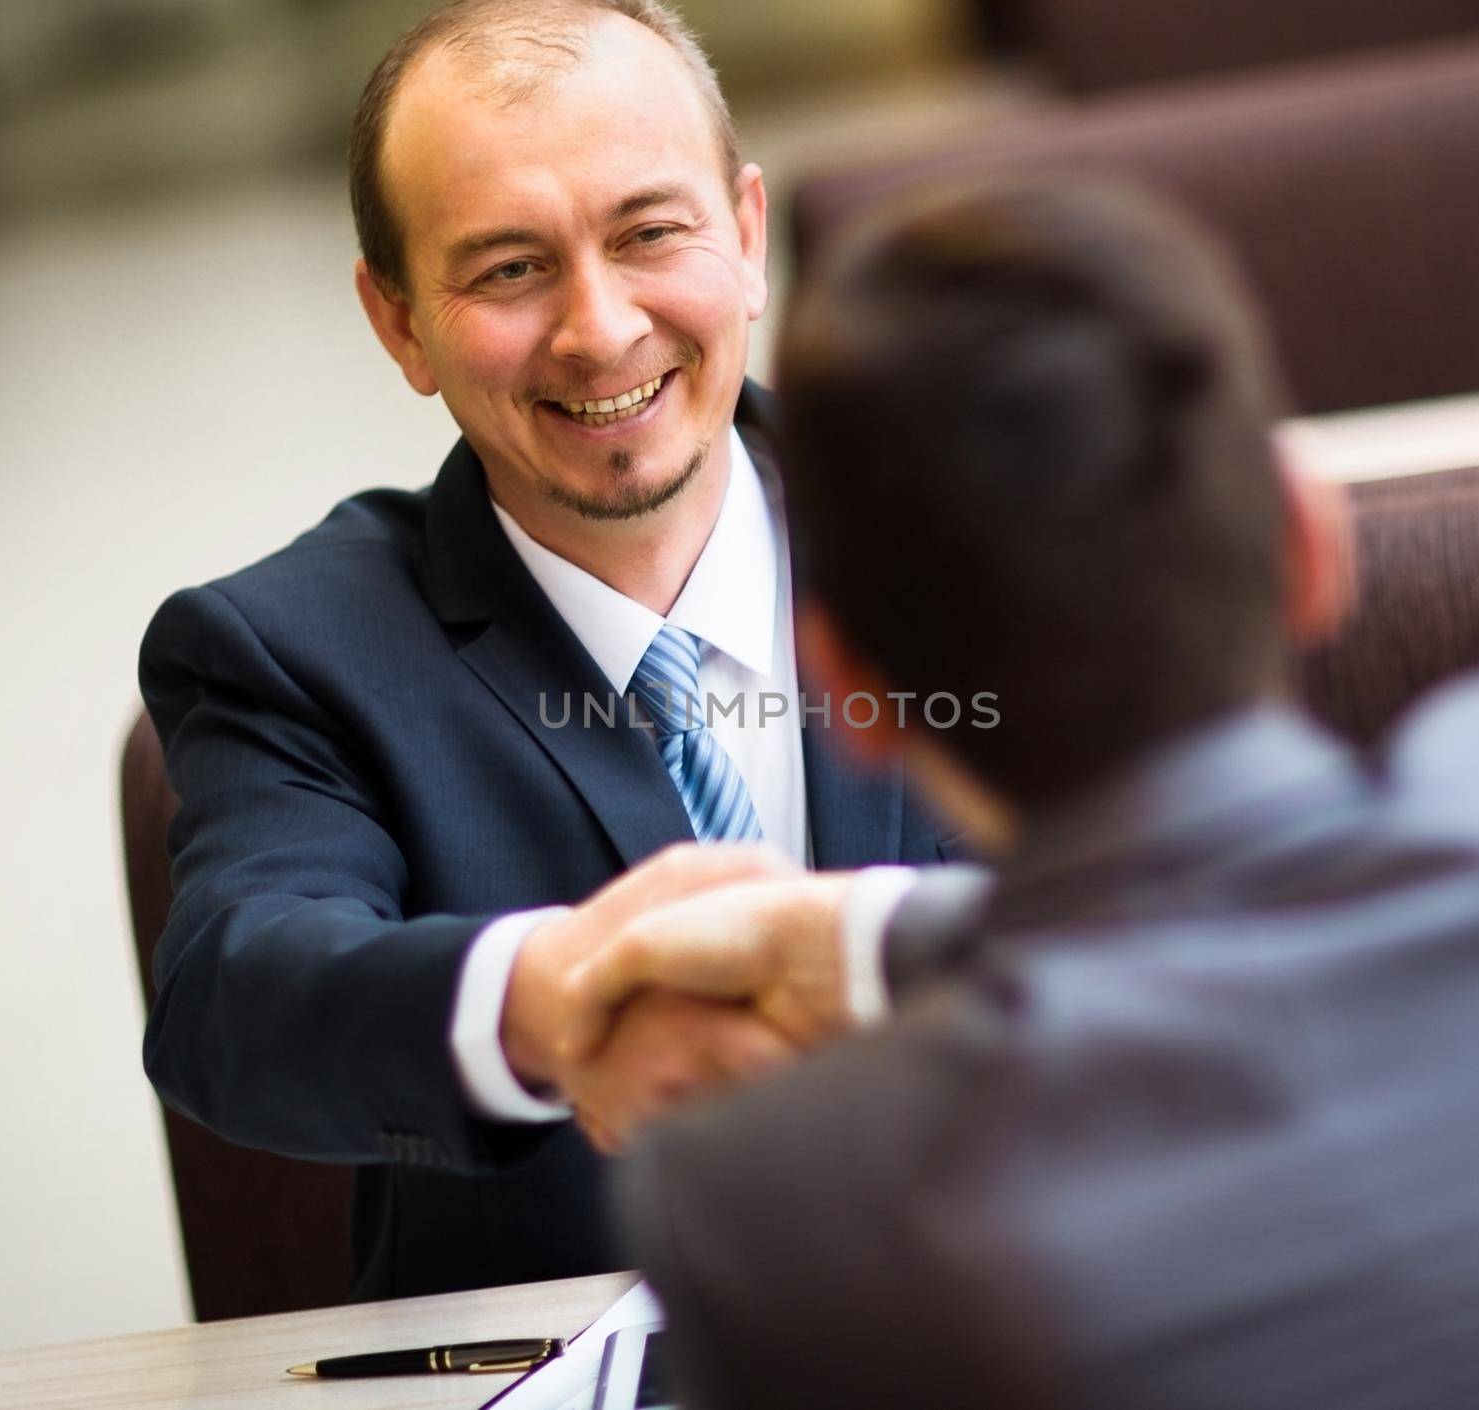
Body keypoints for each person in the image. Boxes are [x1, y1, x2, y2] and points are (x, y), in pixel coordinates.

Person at [559, 176, 1479, 1407]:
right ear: (1312, 541)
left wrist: (885, 947)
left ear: (848, 692)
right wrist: (877, 944)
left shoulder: (771, 1198)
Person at [138, 0, 948, 1302]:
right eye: (509, 268)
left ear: (744, 235)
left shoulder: (980, 512)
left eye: (649, 233)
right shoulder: (291, 650)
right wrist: (544, 996)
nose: (600, 328)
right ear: (399, 322)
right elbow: (235, 998)